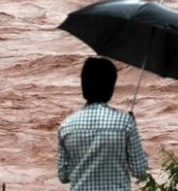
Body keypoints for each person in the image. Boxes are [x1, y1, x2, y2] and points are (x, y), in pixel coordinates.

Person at [57, 57, 148, 191]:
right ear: (111, 87)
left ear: (83, 85)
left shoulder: (66, 126)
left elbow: (63, 176)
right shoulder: (125, 123)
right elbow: (139, 171)